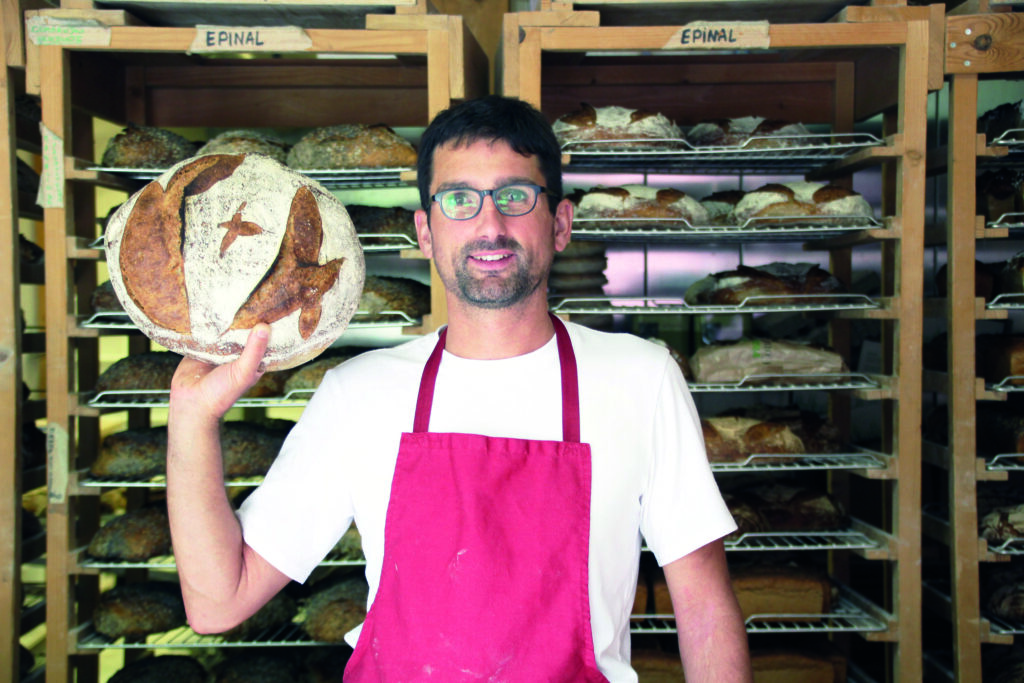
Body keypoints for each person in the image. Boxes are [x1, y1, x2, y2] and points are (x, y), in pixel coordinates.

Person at [167, 95, 751, 682]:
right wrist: (192, 418)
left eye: (515, 196)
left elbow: (702, 606)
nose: (489, 225)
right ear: (425, 231)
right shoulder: (358, 395)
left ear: (562, 224)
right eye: (459, 200)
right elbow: (218, 601)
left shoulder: (640, 378)